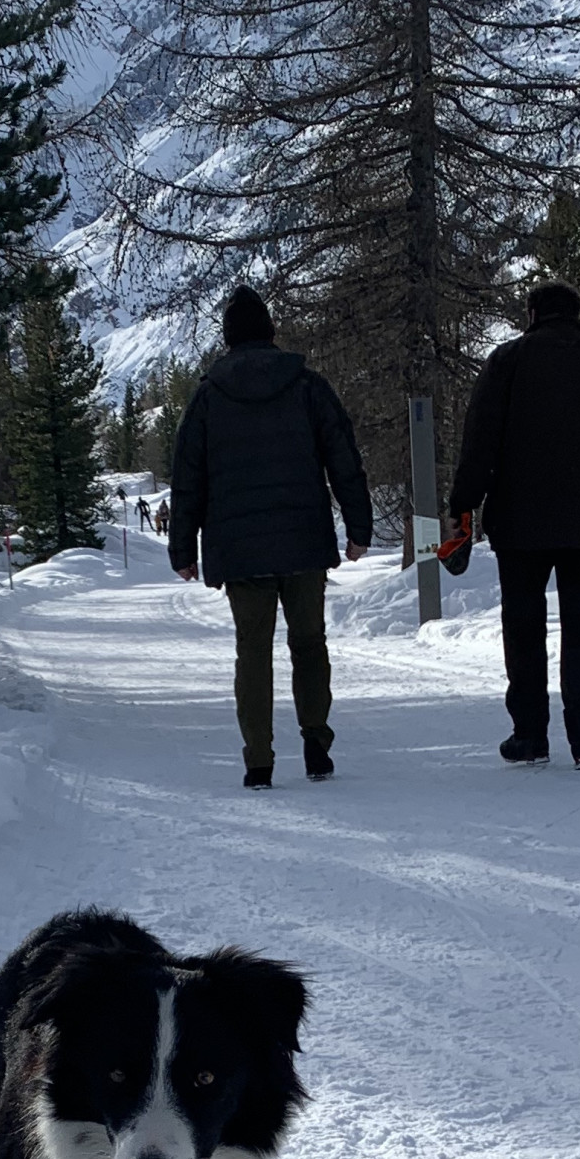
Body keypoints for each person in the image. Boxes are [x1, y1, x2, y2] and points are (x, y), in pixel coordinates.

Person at [447, 278, 580, 767]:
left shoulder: (507, 361)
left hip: (520, 523)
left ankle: (529, 736)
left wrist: (461, 509)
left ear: (531, 313)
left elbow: (479, 443)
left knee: (523, 629)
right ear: (575, 313)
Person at [170, 286, 373, 787]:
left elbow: (188, 476)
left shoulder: (208, 397)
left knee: (252, 652)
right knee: (309, 644)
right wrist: (359, 527)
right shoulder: (307, 386)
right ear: (270, 332)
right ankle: (316, 744)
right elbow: (344, 459)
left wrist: (182, 547)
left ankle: (259, 760)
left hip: (240, 550)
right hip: (303, 540)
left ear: (228, 338)